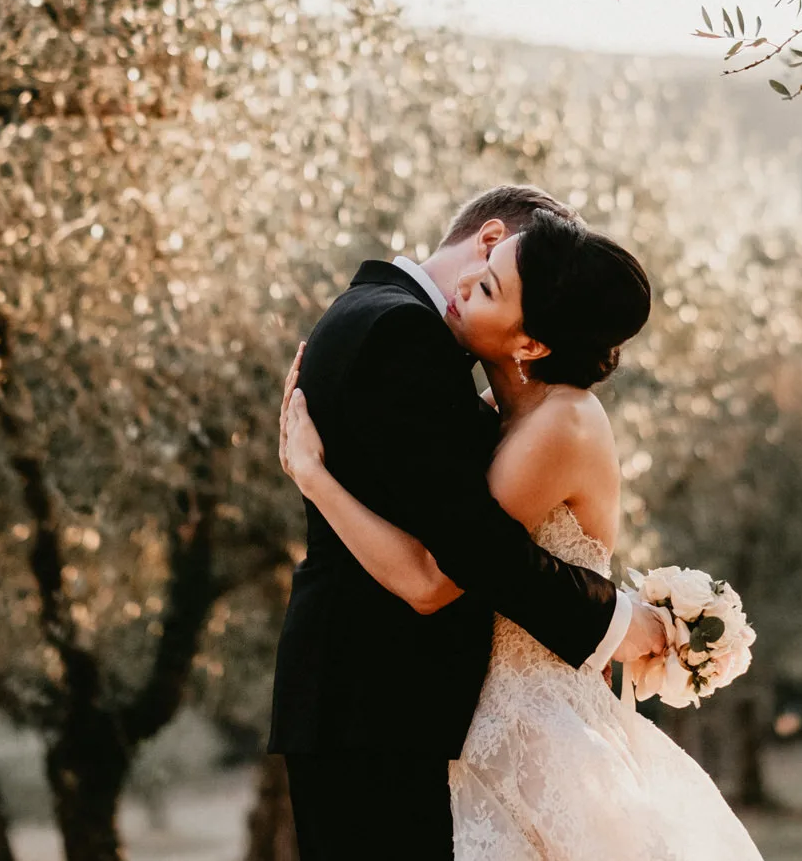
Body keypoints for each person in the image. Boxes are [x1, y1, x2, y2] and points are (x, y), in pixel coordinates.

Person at [276, 196, 766, 860]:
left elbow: (458, 565)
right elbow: (458, 560)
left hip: (508, 727)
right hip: (405, 719)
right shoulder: (442, 366)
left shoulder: (552, 418)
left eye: (488, 286)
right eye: (482, 273)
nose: (463, 293)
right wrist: (312, 478)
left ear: (532, 340)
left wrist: (315, 480)